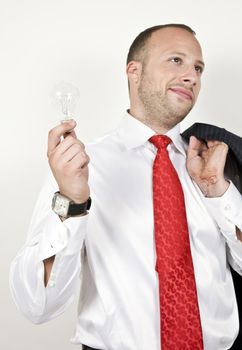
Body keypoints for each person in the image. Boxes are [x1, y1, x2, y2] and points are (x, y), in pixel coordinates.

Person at [9, 24, 242, 350]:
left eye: (198, 68)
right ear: (134, 70)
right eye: (176, 60)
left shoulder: (216, 161)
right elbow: (37, 305)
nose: (191, 76)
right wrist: (73, 202)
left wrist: (219, 191)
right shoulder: (79, 169)